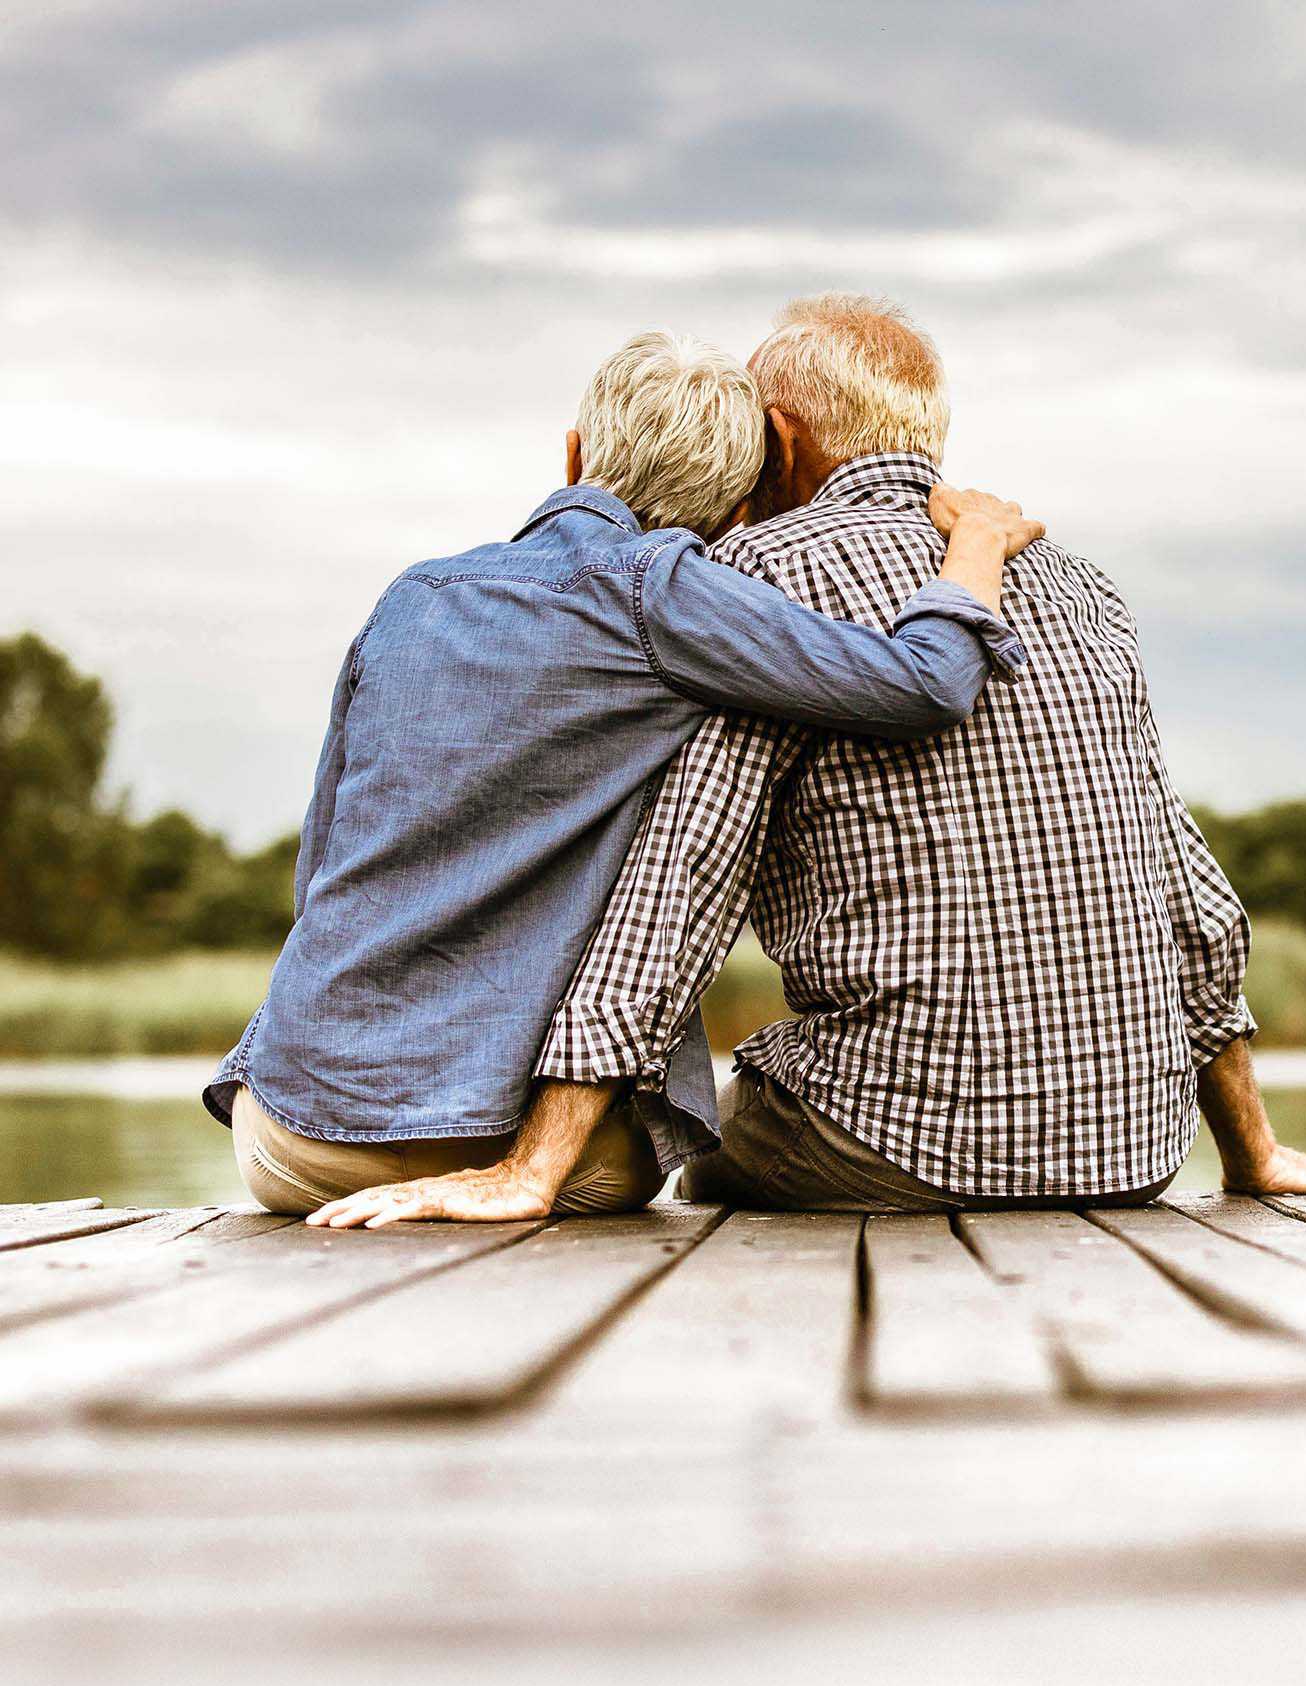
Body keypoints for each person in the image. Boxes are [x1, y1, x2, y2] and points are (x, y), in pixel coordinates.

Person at [314, 293, 1306, 1231]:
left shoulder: (748, 578)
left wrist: (531, 1168)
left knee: (699, 1142)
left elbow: (681, 884)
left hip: (891, 1140)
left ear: (776, 443)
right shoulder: (1081, 585)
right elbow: (1187, 887)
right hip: (1133, 1154)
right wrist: (1251, 1153)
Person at [207, 327, 1034, 1217]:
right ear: (736, 514)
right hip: (513, 1143)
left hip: (293, 1133)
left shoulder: (413, 596)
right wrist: (975, 547)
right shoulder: (672, 595)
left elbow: (319, 868)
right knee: (655, 1163)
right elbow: (925, 683)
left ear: (572, 455)